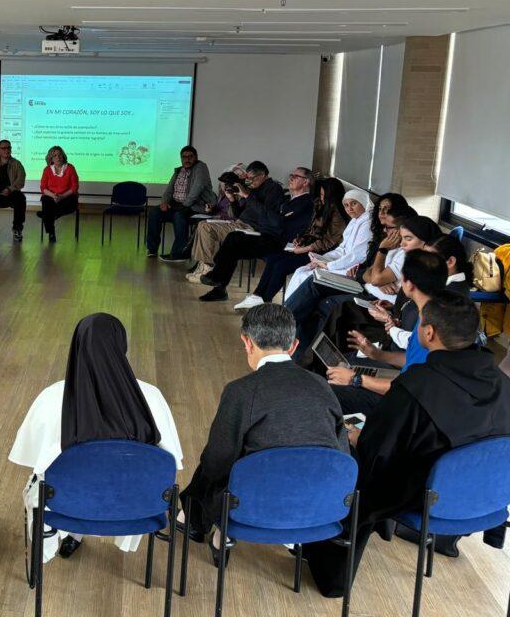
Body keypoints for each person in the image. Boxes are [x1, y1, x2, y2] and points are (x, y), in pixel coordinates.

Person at [306, 292, 510, 597]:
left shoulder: (417, 384)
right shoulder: (502, 382)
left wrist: (355, 436)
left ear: (429, 333)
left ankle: (328, 569)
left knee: (344, 460)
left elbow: (377, 455)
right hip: (489, 495)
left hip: (425, 495)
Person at [178, 304, 347, 562]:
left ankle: (206, 526)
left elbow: (216, 463)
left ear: (247, 342)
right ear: (294, 346)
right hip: (318, 505)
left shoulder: (241, 391)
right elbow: (342, 452)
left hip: (254, 504)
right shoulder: (322, 386)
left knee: (217, 460)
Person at [8, 313, 183, 562]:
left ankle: (66, 536)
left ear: (77, 346)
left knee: (49, 479)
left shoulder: (51, 397)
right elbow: (171, 459)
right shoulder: (152, 396)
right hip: (134, 503)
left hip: (69, 502)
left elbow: (31, 457)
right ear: (122, 345)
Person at [285, 193, 415, 358]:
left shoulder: (398, 247)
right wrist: (375, 277)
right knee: (314, 282)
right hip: (361, 281)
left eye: (387, 210)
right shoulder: (384, 238)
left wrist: (378, 266)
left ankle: (290, 342)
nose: (382, 216)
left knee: (322, 299)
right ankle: (287, 339)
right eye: (380, 209)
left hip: (371, 294)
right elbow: (368, 270)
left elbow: (373, 274)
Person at [325, 249, 450, 415]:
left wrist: (355, 379)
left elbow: (411, 388)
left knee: (327, 393)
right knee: (343, 363)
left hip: (404, 402)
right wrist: (377, 354)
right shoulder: (429, 313)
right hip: (401, 383)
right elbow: (412, 359)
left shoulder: (430, 328)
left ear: (409, 284)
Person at [198, 167, 315, 302]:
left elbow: (278, 223)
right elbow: (264, 217)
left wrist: (249, 197)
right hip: (266, 234)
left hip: (278, 242)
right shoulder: (288, 199)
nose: (290, 178)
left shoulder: (304, 202)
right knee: (233, 239)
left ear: (306, 182)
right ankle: (218, 284)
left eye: (295, 176)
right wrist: (235, 199)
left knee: (234, 243)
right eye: (291, 175)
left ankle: (217, 280)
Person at [232, 177, 349, 310]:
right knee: (273, 259)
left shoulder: (338, 215)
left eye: (324, 196)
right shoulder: (319, 205)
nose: (321, 198)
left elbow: (328, 242)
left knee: (281, 266)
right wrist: (300, 239)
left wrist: (304, 249)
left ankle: (264, 301)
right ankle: (256, 296)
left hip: (319, 253)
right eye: (321, 194)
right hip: (307, 246)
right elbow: (310, 229)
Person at [186, 161, 284, 283]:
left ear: (262, 175)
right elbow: (239, 214)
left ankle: (207, 269)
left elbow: (267, 215)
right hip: (240, 222)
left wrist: (247, 195)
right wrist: (232, 199)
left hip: (252, 228)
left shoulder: (274, 188)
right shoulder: (254, 188)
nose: (249, 182)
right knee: (202, 224)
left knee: (206, 228)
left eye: (251, 178)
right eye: (247, 179)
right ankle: (202, 267)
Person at [283, 188, 373, 301]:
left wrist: (328, 265)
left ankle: (289, 309)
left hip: (351, 269)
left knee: (308, 276)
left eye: (354, 203)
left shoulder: (368, 224)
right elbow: (342, 249)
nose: (349, 208)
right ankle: (286, 307)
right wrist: (321, 259)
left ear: (363, 202)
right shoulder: (355, 221)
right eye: (346, 205)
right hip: (341, 263)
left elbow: (356, 256)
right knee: (301, 270)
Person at [148, 146, 215, 260]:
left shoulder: (200, 167)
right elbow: (169, 190)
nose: (187, 159)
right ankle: (152, 249)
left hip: (196, 207)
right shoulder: (179, 170)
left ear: (196, 157)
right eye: (184, 157)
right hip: (177, 205)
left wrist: (183, 206)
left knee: (179, 215)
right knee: (155, 212)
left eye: (190, 157)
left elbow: (196, 189)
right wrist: (164, 202)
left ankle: (180, 254)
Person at [38, 145, 80, 244]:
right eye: (55, 155)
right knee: (45, 200)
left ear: (63, 156)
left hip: (67, 196)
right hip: (51, 196)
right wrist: (54, 196)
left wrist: (62, 196)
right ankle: (51, 232)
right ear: (51, 158)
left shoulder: (70, 168)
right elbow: (43, 188)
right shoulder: (47, 170)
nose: (58, 157)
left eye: (60, 155)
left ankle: (47, 216)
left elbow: (75, 187)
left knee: (50, 211)